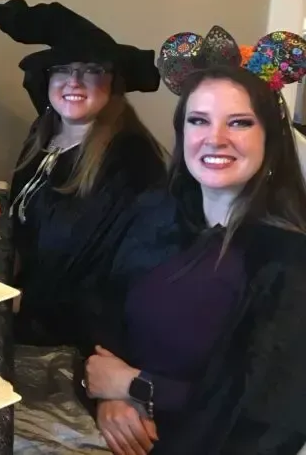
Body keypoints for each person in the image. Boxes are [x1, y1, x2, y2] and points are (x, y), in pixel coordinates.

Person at [83, 26, 306, 454]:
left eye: (239, 123)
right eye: (198, 120)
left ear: (270, 140)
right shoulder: (152, 215)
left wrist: (136, 387)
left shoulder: (288, 261)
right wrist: (109, 397)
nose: (215, 138)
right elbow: (100, 313)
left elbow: (267, 417)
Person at [0, 0, 166, 349]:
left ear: (114, 82)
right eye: (63, 70)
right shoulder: (46, 133)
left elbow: (118, 276)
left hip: (71, 337)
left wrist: (22, 302)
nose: (75, 82)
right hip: (20, 301)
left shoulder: (130, 162)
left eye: (91, 71)